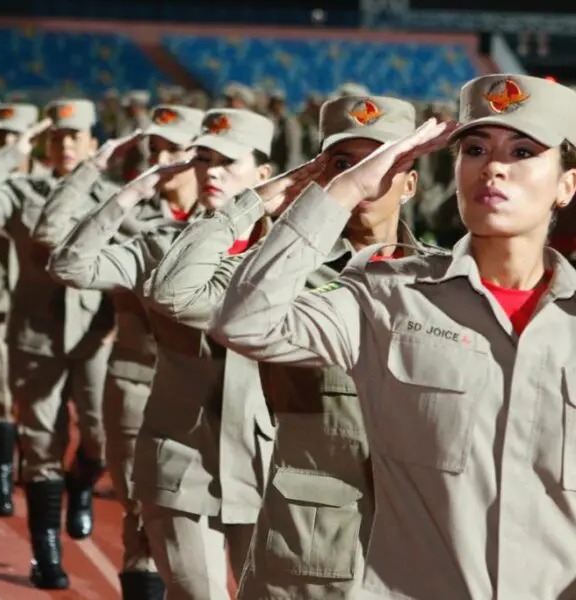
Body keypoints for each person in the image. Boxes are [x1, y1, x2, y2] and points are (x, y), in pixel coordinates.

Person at [210, 73, 576, 599]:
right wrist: (343, 190)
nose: (494, 166)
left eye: (523, 151)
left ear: (566, 184)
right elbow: (243, 320)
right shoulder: (388, 296)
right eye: (475, 148)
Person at [149, 94, 448, 600]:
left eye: (384, 162)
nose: (366, 177)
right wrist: (268, 196)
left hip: (417, 550)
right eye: (345, 164)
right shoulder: (280, 276)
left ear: (411, 182)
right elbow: (173, 293)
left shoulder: (444, 278)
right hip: (308, 554)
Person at [47, 108, 276, 600]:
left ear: (264, 176)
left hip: (264, 463)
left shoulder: (290, 253)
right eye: (204, 159)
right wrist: (131, 191)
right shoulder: (161, 246)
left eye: (227, 162)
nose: (210, 171)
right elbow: (70, 265)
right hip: (182, 456)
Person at [35, 103, 204, 600]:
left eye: (179, 150)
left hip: (210, 399)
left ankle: (82, 476)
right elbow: (52, 235)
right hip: (138, 383)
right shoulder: (132, 215)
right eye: (157, 151)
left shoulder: (233, 220)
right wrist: (103, 173)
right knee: (144, 525)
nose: (166, 159)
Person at [0, 98, 116, 590]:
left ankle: (81, 484)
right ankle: (46, 552)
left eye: (77, 136)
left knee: (100, 435)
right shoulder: (20, 190)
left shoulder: (114, 195)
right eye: (57, 136)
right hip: (36, 333)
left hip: (95, 335)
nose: (67, 144)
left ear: (94, 144)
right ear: (45, 143)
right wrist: (11, 151)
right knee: (39, 441)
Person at [0, 102, 45, 517]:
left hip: (40, 309)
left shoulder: (43, 185)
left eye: (14, 139)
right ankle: (2, 482)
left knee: (35, 398)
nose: (7, 146)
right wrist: (4, 159)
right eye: (0, 138)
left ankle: (34, 467)